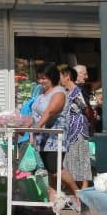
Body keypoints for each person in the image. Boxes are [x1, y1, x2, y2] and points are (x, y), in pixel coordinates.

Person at [31, 63, 80, 202]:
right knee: (50, 173)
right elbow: (34, 114)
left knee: (56, 169)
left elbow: (50, 111)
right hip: (42, 138)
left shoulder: (59, 92)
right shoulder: (42, 94)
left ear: (52, 77)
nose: (41, 82)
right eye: (39, 78)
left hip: (54, 138)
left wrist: (36, 128)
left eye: (44, 78)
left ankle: (78, 193)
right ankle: (52, 205)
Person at [60, 66, 92, 190]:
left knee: (81, 156)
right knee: (71, 157)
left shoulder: (76, 91)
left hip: (78, 128)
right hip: (69, 128)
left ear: (68, 77)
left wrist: (89, 124)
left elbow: (85, 108)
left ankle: (84, 186)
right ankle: (73, 185)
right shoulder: (67, 91)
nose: (60, 79)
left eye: (61, 76)